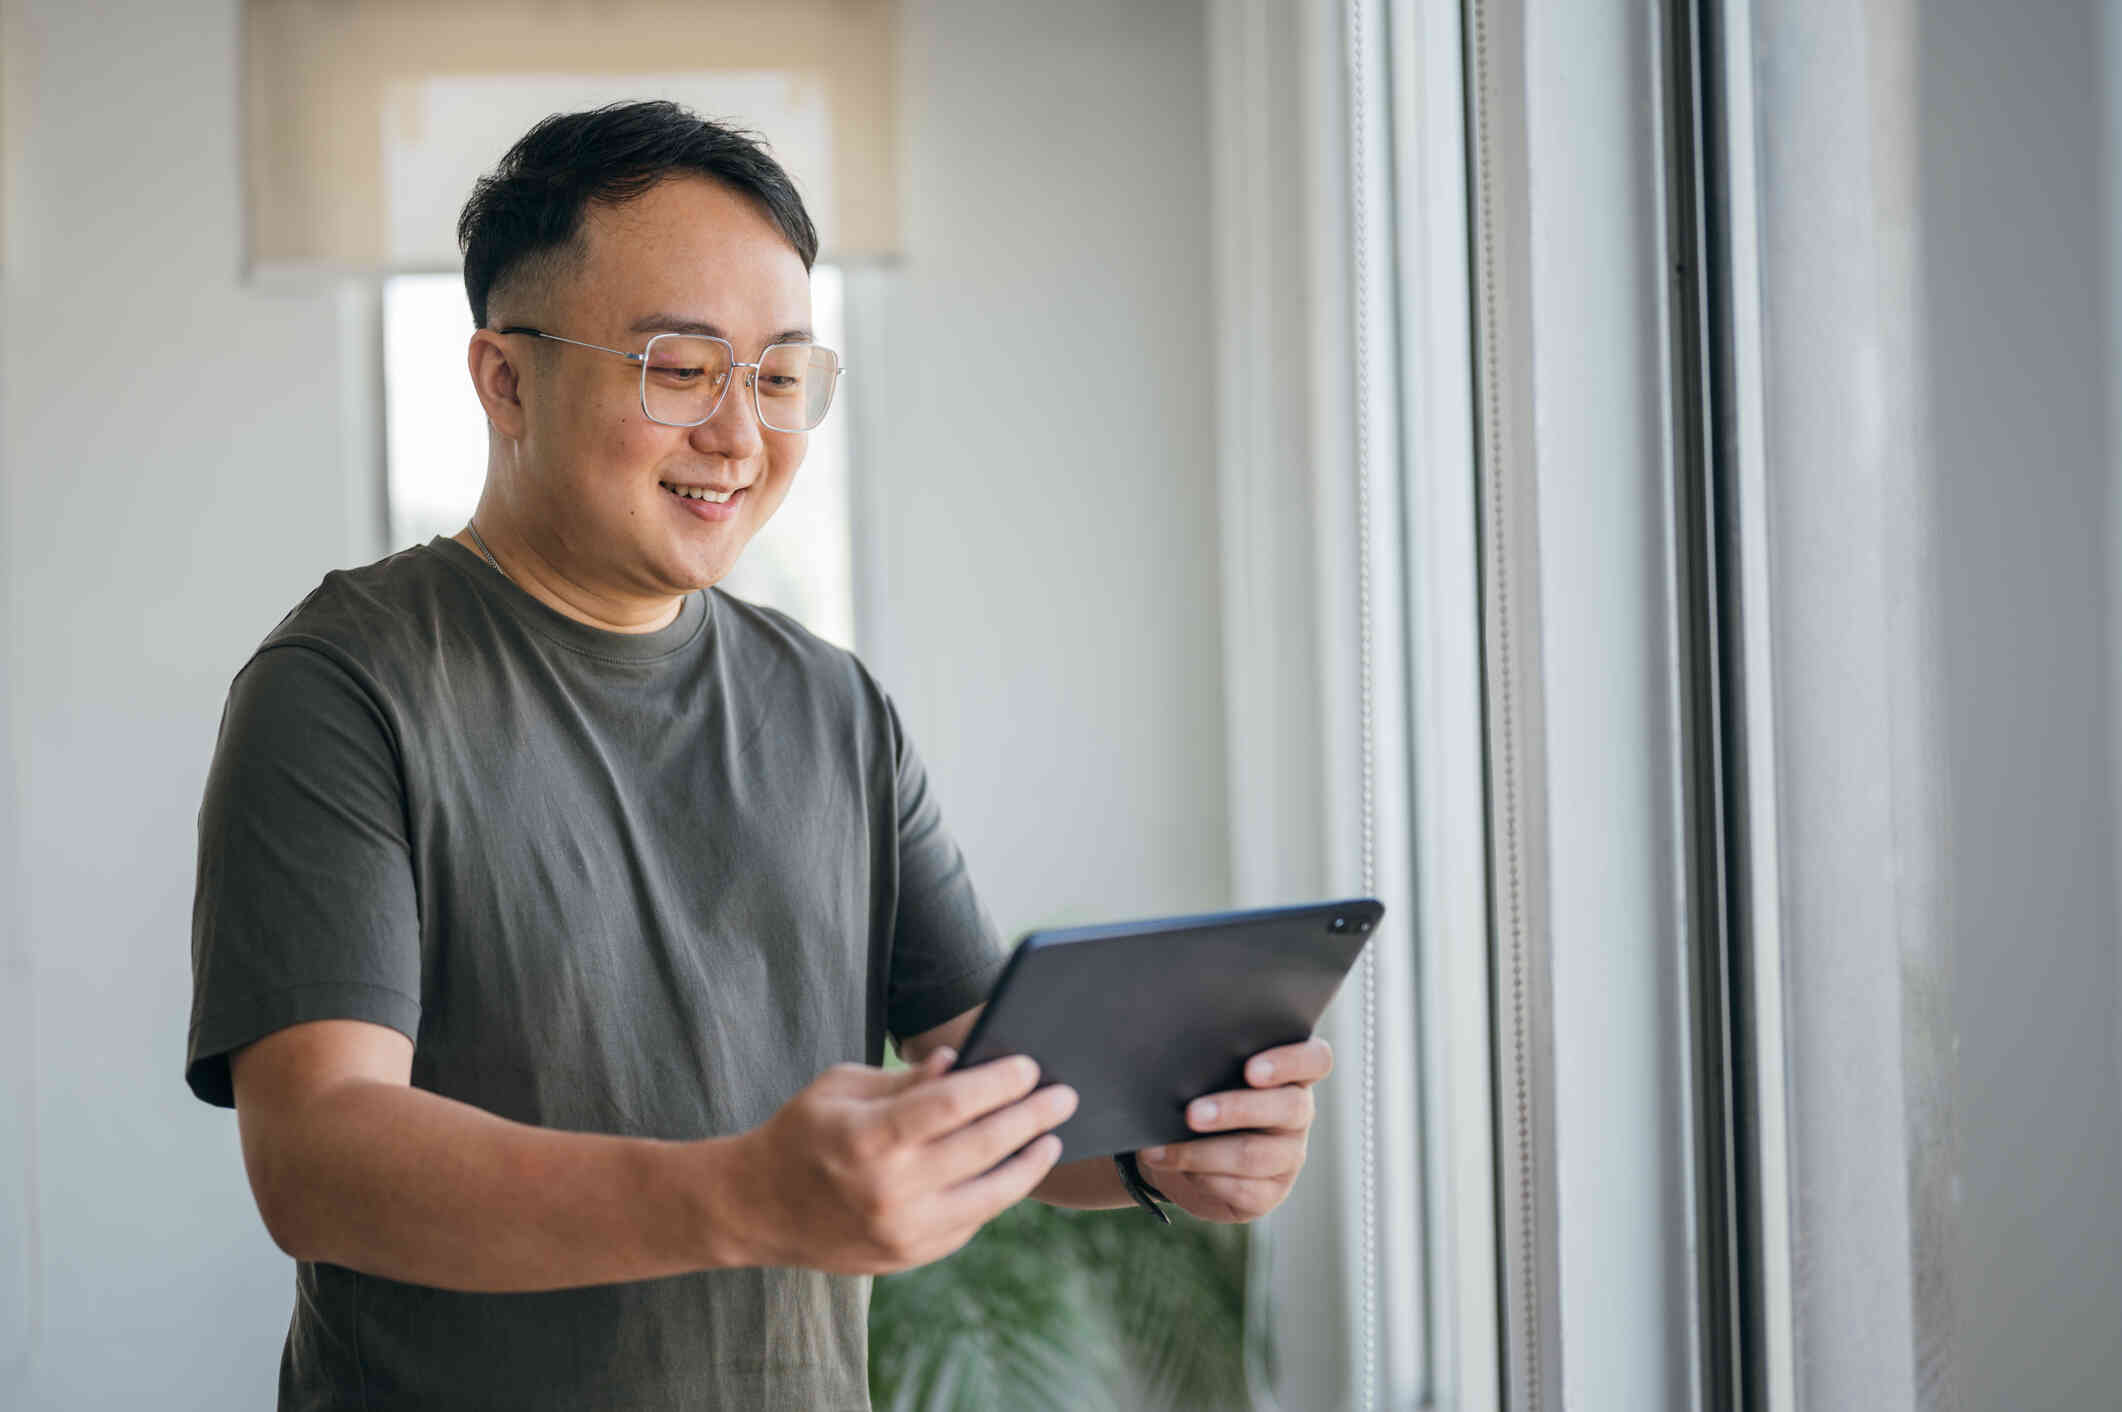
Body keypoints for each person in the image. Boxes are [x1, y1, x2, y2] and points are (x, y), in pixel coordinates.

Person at [185, 100, 1333, 1411]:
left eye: (781, 376)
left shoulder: (830, 705)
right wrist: (742, 1197)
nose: (741, 435)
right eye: (681, 368)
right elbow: (320, 1163)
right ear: (505, 379)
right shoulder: (343, 684)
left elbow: (990, 1089)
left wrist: (1156, 1147)